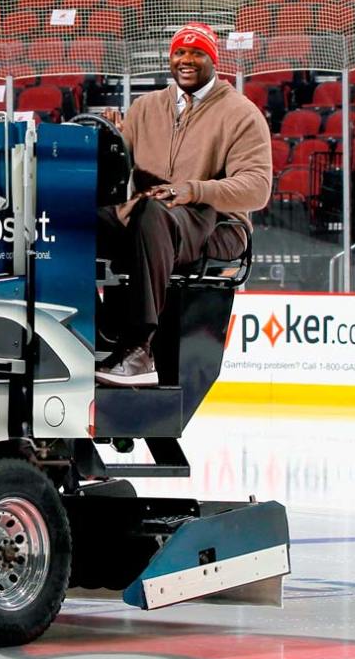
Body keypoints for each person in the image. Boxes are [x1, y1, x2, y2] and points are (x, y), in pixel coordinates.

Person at [95, 22, 272, 386]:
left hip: (213, 222)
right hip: (148, 214)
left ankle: (140, 349)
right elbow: (116, 170)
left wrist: (193, 190)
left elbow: (257, 188)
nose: (186, 60)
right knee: (74, 223)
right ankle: (92, 331)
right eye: (179, 52)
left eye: (196, 53)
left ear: (213, 60)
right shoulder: (146, 108)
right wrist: (107, 136)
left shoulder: (241, 113)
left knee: (151, 213)